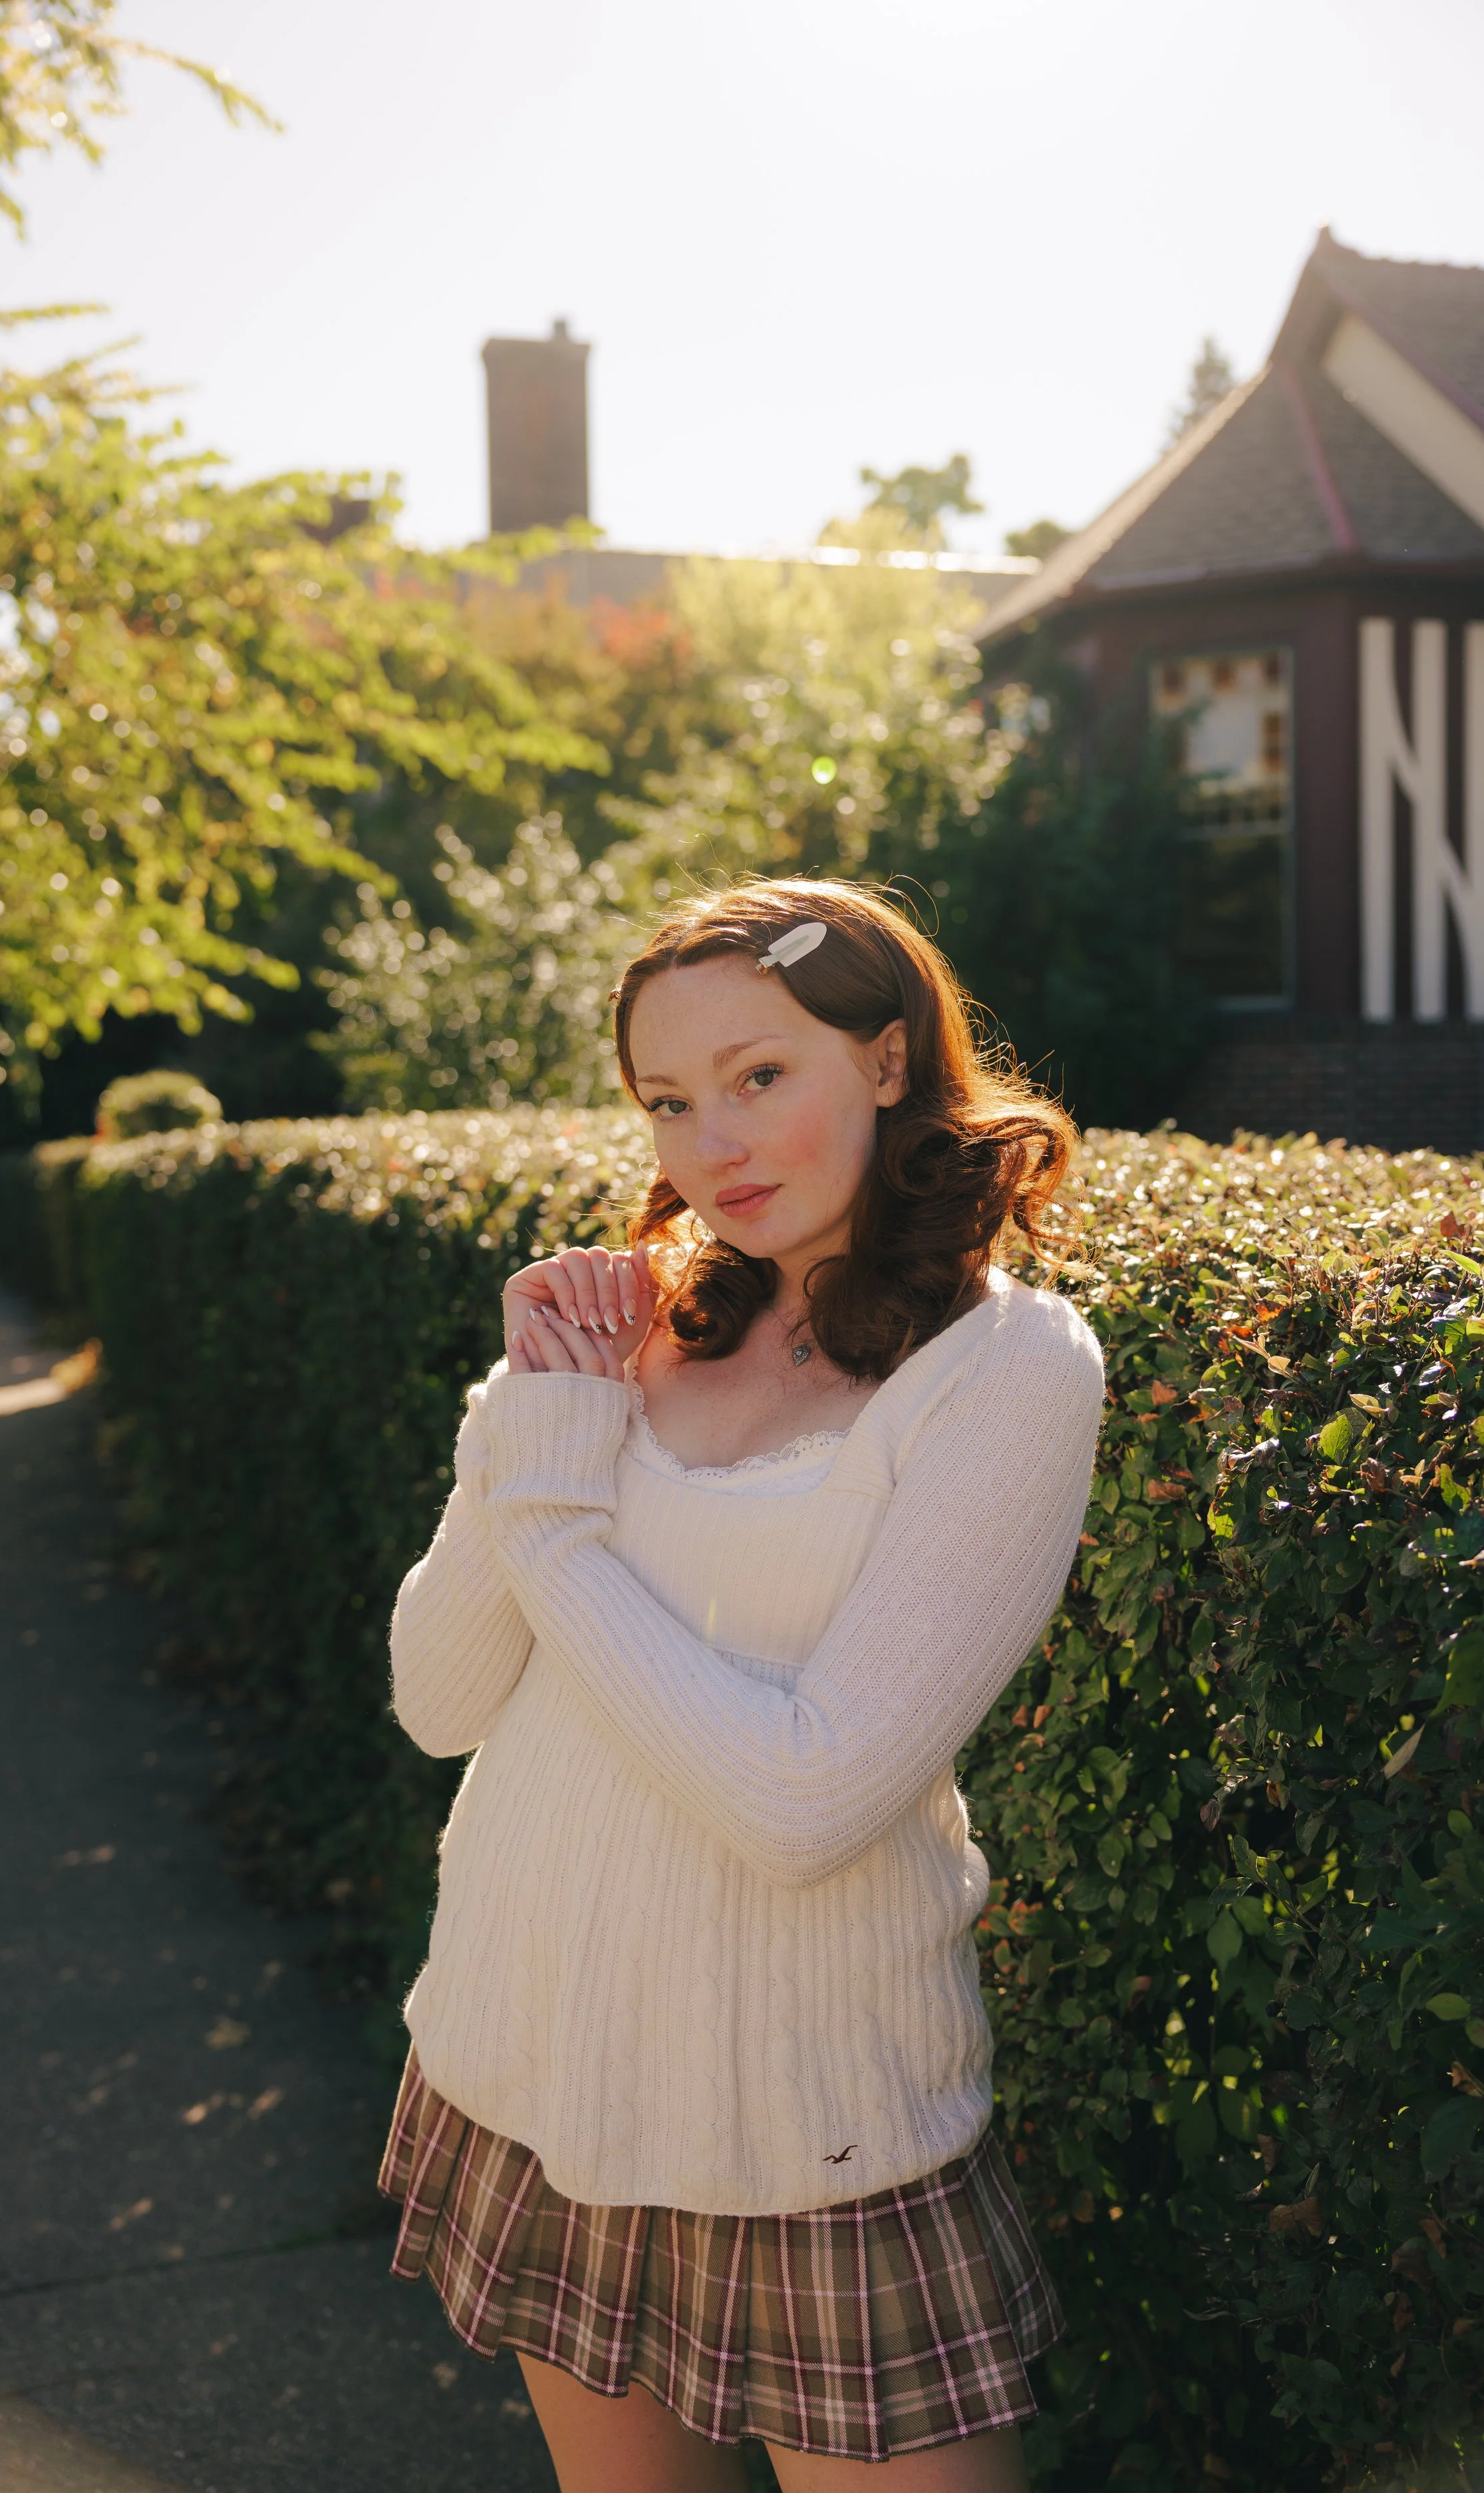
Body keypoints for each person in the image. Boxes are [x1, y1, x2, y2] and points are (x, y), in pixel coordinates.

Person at [379, 879, 1105, 2492]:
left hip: (811, 2122)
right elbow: (440, 1696)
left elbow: (804, 1798)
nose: (712, 1140)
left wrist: (554, 1512)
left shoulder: (1001, 1370)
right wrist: (534, 1414)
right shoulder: (616, 1338)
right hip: (532, 2058)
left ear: (890, 1057)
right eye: (666, 1099)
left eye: (760, 1074)